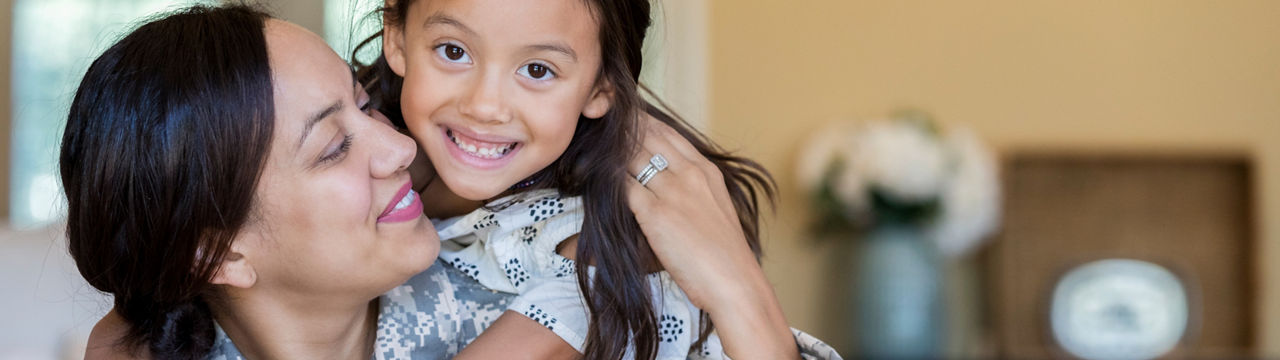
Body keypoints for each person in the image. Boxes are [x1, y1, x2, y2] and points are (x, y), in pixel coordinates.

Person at [68, 3, 839, 360]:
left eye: (365, 105)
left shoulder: (556, 284)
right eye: (334, 146)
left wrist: (739, 291)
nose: (397, 148)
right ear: (216, 254)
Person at [362, 0, 822, 358]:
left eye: (537, 70)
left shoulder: (590, 242)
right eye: (454, 51)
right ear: (397, 37)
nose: (485, 105)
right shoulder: (355, 161)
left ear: (601, 87)